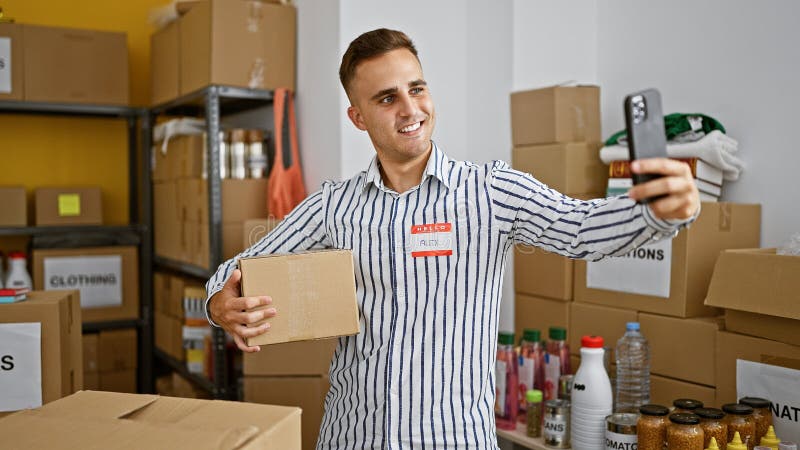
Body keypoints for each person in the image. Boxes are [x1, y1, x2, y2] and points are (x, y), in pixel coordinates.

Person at [205, 28, 699, 449]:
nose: (409, 108)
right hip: (353, 434)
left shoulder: (491, 191)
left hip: (453, 436)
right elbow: (239, 270)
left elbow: (581, 228)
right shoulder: (335, 205)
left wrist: (661, 213)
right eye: (386, 98)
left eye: (416, 88)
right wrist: (218, 304)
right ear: (357, 116)